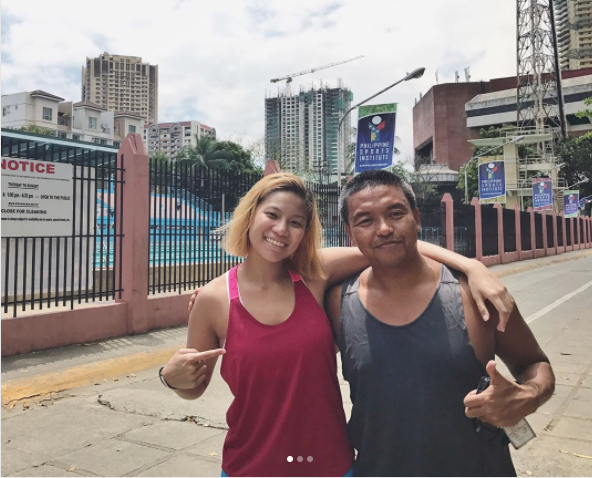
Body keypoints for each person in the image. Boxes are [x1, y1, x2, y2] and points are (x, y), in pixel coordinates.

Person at [161, 172, 515, 477]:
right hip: (250, 465)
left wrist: (472, 268)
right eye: (272, 215)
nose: (281, 230)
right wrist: (170, 377)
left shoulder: (315, 276)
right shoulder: (212, 299)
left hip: (330, 462)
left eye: (296, 222)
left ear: (305, 232)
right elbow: (193, 386)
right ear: (250, 216)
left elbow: (390, 242)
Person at [326, 170, 555, 477]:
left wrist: (527, 396)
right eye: (365, 220)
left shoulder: (476, 295)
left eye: (396, 214)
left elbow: (534, 363)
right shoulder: (338, 301)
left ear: (416, 217)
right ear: (350, 232)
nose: (383, 229)